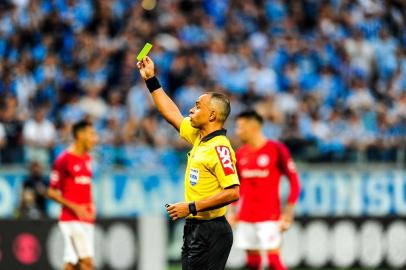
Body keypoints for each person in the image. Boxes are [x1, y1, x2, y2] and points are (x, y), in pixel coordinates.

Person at [137, 56, 240, 270]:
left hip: (211, 230)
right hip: (196, 227)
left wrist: (191, 207)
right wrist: (151, 80)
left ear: (212, 115)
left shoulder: (219, 148)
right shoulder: (199, 137)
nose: (191, 110)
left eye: (197, 106)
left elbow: (233, 192)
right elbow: (171, 113)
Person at [227, 110, 301, 270]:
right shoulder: (240, 154)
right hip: (245, 216)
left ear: (253, 127)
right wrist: (232, 211)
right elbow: (235, 186)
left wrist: (288, 213)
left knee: (274, 262)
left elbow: (295, 183)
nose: (237, 131)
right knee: (253, 264)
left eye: (240, 127)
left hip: (270, 216)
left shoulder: (276, 149)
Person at [47, 120, 98, 270]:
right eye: (92, 134)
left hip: (86, 219)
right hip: (71, 219)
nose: (95, 138)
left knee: (72, 264)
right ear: (80, 135)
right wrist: (75, 207)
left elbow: (86, 187)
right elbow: (51, 192)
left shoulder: (87, 158)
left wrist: (91, 206)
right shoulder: (63, 160)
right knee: (87, 263)